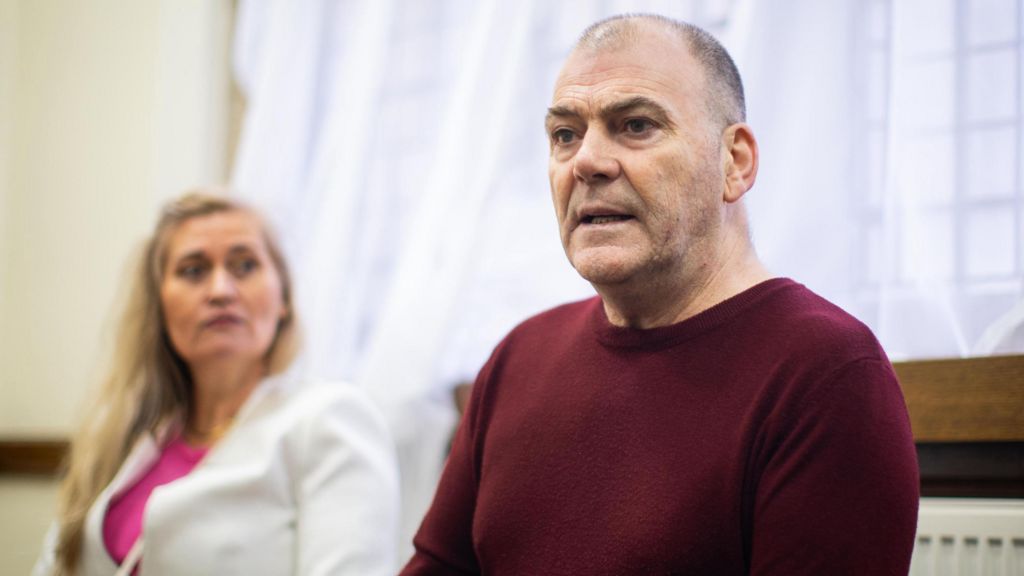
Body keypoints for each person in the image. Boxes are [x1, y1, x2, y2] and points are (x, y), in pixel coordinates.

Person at [401, 14, 919, 576]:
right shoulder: (518, 358)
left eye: (637, 125)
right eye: (565, 135)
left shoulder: (827, 374)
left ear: (735, 162)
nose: (587, 162)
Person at [33, 191, 400, 576]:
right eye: (193, 270)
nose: (221, 290)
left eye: (244, 265)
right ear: (160, 303)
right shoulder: (124, 434)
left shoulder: (330, 419)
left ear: (283, 298)